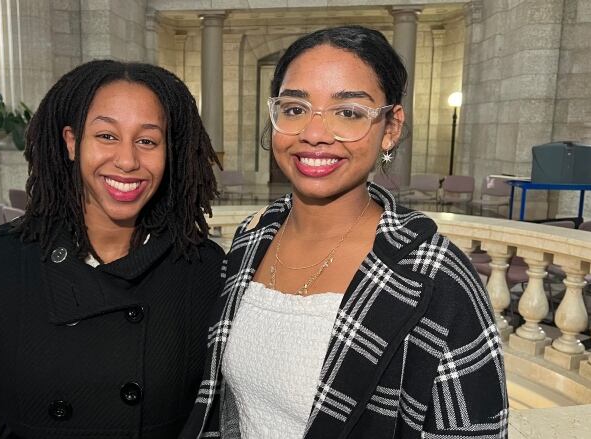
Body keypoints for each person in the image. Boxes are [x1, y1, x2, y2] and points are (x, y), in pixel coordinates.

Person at [181, 26, 508, 438]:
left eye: (349, 112)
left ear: (390, 127)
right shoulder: (251, 241)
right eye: (295, 108)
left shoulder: (436, 276)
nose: (315, 134)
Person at [0, 60, 226, 438]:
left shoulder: (202, 268)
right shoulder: (1, 260)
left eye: (147, 141)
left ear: (169, 153)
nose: (126, 160)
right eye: (106, 136)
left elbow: (212, 421)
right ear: (72, 142)